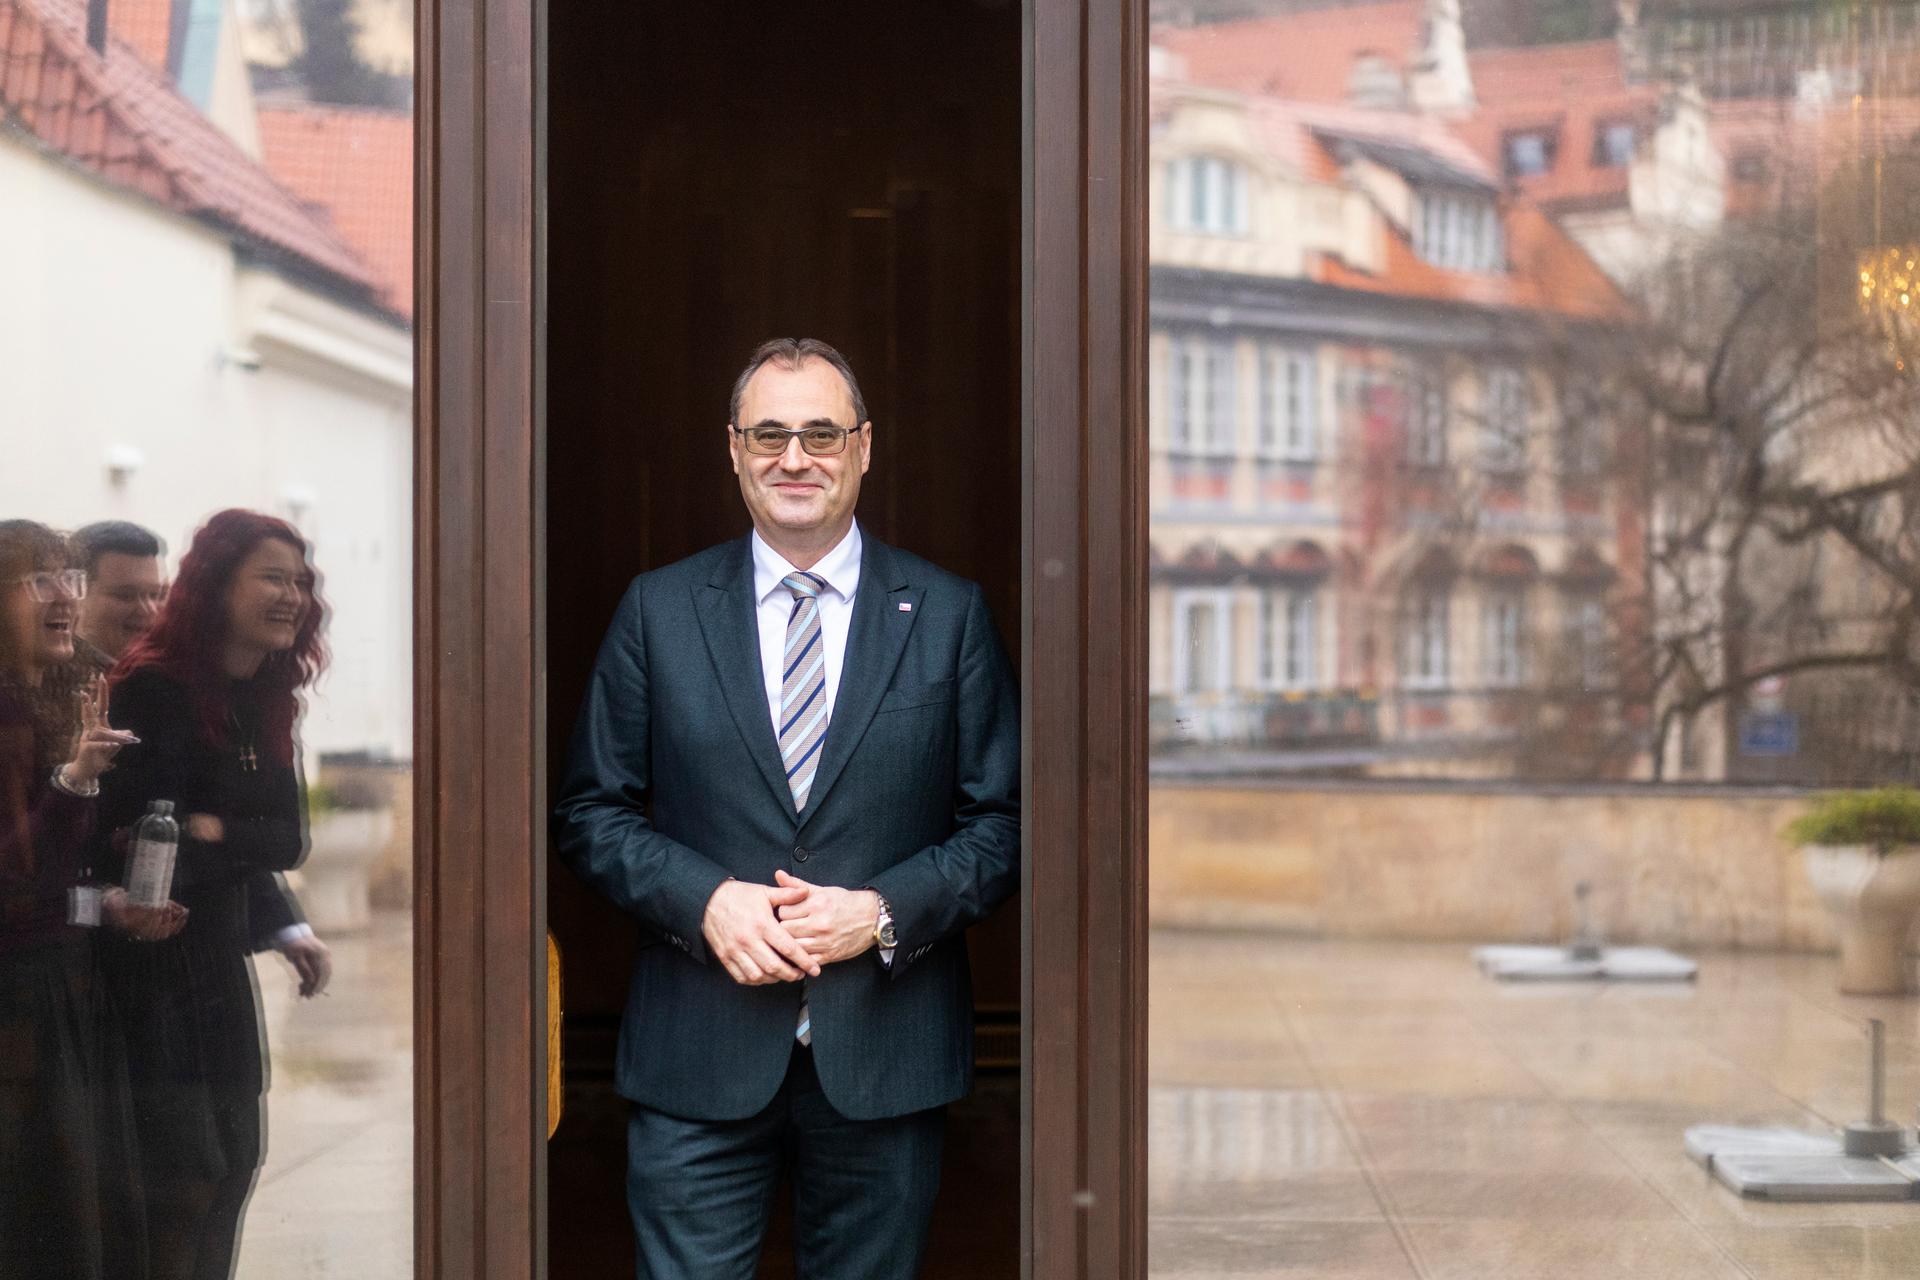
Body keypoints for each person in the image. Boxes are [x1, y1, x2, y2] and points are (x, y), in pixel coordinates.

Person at [554, 338, 1020, 1279]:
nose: (794, 458)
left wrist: (879, 913)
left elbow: (1004, 826)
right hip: (697, 1053)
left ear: (864, 447)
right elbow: (591, 810)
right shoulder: (658, 610)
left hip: (884, 1055)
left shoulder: (947, 613)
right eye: (769, 435)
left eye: (820, 434)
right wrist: (705, 901)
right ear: (734, 450)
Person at [96, 509, 329, 1280]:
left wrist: (213, 829)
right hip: (152, 970)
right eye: (272, 577)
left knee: (234, 1167)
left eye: (300, 581)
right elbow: (142, 847)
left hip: (218, 965)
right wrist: (220, 837)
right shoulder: (153, 690)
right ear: (216, 586)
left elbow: (288, 841)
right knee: (183, 1181)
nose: (291, 595)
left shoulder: (264, 697)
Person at [0, 519, 184, 1280]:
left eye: (69, 579)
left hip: (62, 993)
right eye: (39, 580)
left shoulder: (44, 702)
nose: (63, 598)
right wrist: (75, 781)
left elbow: (53, 894)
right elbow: (16, 886)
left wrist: (106, 904)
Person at [72, 520, 332, 1004]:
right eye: (125, 595)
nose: (147, 611)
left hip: (208, 945)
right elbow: (128, 844)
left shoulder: (245, 692)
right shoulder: (147, 688)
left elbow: (283, 840)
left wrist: (285, 924)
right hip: (129, 958)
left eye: (157, 594)